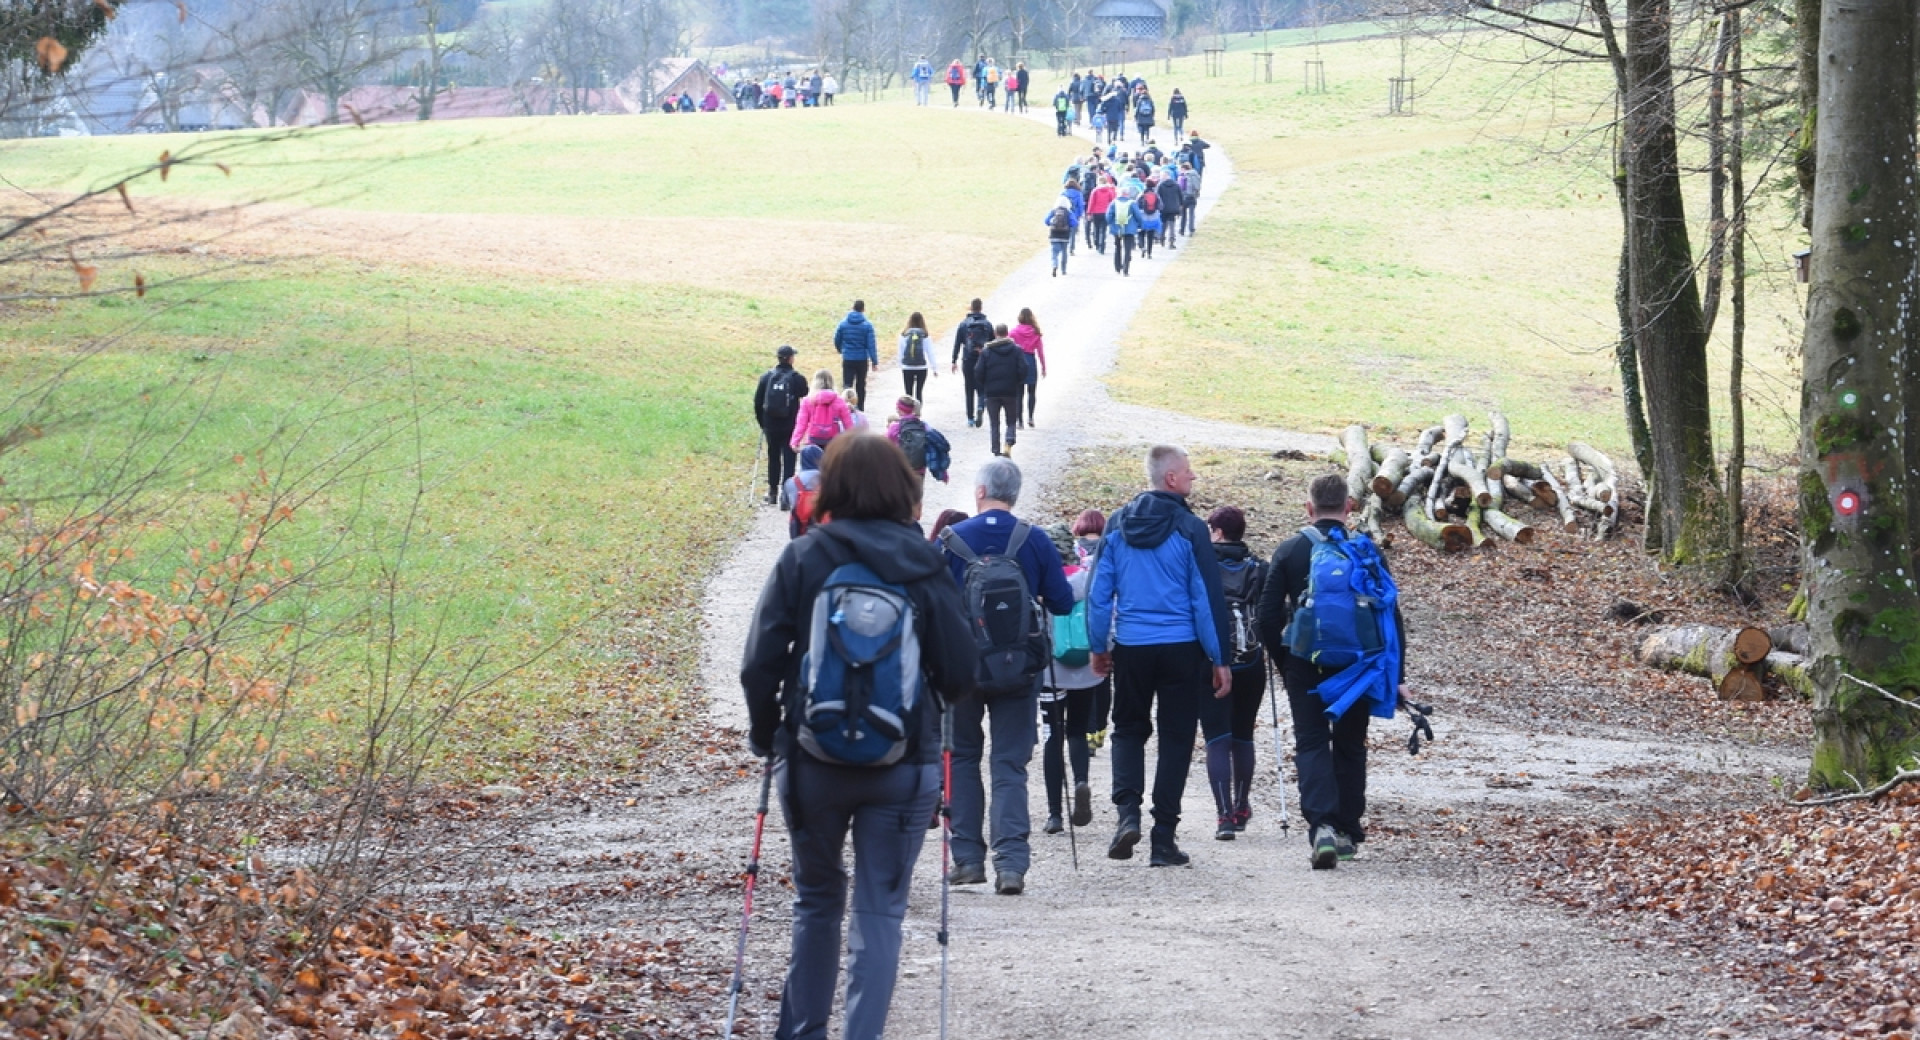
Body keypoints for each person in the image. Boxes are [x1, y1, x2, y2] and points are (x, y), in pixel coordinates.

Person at [741, 432, 977, 1040]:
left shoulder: (805, 557)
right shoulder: (926, 562)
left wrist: (769, 735)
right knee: (880, 914)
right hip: (903, 764)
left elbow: (758, 663)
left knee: (817, 902)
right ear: (904, 487)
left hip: (812, 759)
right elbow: (959, 673)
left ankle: (802, 1034)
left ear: (835, 486)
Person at [1087, 444, 1234, 868]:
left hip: (1132, 647)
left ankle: (1127, 813)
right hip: (1181, 649)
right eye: (1188, 473)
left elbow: (1099, 594)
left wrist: (1100, 646)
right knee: (1176, 738)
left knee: (1128, 730)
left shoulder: (1117, 524)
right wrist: (1219, 658)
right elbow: (1205, 599)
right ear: (1171, 478)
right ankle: (1163, 837)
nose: (1193, 479)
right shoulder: (1190, 528)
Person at [1257, 474, 1409, 870]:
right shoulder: (1365, 550)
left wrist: (1284, 660)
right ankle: (1346, 830)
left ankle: (1322, 825)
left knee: (1311, 742)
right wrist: (1398, 675)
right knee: (1350, 744)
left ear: (1309, 508)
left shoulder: (1291, 550)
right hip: (1357, 666)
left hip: (1305, 663)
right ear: (1349, 507)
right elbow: (1390, 615)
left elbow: (1266, 616)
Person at [937, 458, 1075, 895]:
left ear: (979, 492)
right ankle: (1011, 864)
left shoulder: (951, 540)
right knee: (1009, 764)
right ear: (1013, 494)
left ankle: (967, 859)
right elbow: (1063, 603)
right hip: (1019, 670)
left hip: (961, 669)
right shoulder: (1032, 539)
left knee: (962, 758)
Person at [1200, 506, 1268, 840]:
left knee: (1216, 737)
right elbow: (1271, 613)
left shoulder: (1201, 566)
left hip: (1210, 661)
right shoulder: (1258, 567)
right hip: (1252, 661)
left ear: (1217, 531)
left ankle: (1223, 815)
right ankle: (1242, 805)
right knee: (1242, 735)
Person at [1039, 519, 1106, 836]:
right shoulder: (1088, 576)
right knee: (1077, 731)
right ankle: (1081, 780)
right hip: (1086, 667)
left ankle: (1054, 814)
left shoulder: (1043, 582)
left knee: (1053, 736)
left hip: (1051, 669)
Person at [753, 344, 810, 505]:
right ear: (791, 358)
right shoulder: (797, 378)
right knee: (789, 458)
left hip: (771, 424)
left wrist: (763, 423)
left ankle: (772, 492)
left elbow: (758, 402)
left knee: (773, 457)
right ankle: (786, 495)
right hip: (790, 424)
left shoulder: (766, 377)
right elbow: (804, 393)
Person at [974, 324, 1025, 458]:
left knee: (994, 422)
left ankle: (996, 450)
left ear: (995, 334)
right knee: (1011, 420)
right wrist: (1017, 382)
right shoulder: (1016, 350)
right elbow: (1024, 369)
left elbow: (978, 372)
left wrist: (985, 384)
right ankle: (1009, 441)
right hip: (1010, 391)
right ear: (1007, 333)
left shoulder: (987, 351)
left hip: (992, 392)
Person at [950, 299, 995, 428]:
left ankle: (970, 418)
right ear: (981, 308)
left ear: (971, 308)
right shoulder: (987, 324)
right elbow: (992, 343)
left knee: (969, 389)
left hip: (968, 360)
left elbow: (957, 343)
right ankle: (981, 406)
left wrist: (954, 360)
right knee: (982, 388)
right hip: (983, 360)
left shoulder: (964, 324)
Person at [834, 299, 879, 412]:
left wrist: (841, 350)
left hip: (848, 357)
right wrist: (874, 361)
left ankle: (845, 409)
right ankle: (860, 409)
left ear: (852, 308)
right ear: (863, 310)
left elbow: (837, 339)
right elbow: (871, 345)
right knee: (860, 385)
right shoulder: (867, 326)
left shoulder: (843, 324)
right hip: (862, 359)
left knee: (847, 384)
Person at [791, 369, 853, 451]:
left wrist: (795, 441)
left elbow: (801, 423)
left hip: (813, 440)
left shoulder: (808, 400)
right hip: (833, 441)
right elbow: (848, 423)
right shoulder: (839, 401)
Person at [1008, 307, 1045, 426]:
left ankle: (1019, 421)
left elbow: (1007, 346)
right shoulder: (1036, 333)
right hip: (1031, 361)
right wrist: (1044, 367)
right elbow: (1040, 352)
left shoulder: (1014, 332)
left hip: (1018, 362)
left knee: (1019, 393)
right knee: (1032, 392)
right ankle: (1031, 417)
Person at [782, 443, 826, 539]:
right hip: (825, 527)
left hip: (799, 528)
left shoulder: (791, 482)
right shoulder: (829, 478)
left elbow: (785, 503)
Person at [887, 395, 930, 481]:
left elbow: (886, 445)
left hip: (901, 467)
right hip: (919, 468)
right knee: (917, 492)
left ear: (900, 410)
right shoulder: (924, 426)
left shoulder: (895, 427)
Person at [897, 312, 934, 402]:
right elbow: (930, 352)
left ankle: (908, 413)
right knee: (919, 392)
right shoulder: (925, 335)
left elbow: (900, 352)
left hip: (907, 367)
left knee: (908, 393)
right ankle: (917, 413)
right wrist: (934, 368)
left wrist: (901, 365)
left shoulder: (904, 335)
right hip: (921, 367)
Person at [1107, 189, 1140, 276]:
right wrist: (1139, 225)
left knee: (1117, 247)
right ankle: (1126, 270)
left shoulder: (1113, 203)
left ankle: (1117, 268)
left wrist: (1111, 224)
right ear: (1127, 194)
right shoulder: (1132, 203)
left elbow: (1108, 216)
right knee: (1127, 249)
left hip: (1117, 228)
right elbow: (1138, 216)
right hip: (1129, 228)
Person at [1085, 175, 1115, 254]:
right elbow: (1112, 203)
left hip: (1096, 212)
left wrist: (1089, 213)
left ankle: (1097, 243)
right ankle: (1102, 246)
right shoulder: (1109, 191)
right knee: (1103, 230)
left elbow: (1091, 203)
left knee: (1096, 228)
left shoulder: (1095, 191)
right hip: (1105, 212)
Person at [1156, 168, 1185, 249]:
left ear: (1163, 176)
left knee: (1163, 224)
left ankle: (1162, 237)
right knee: (1172, 224)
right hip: (1173, 208)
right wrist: (1180, 207)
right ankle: (1171, 241)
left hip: (1163, 208)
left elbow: (1157, 197)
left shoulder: (1160, 185)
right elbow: (1181, 197)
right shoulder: (1176, 185)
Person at [1044, 198, 1073, 277]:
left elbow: (1046, 221)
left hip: (1054, 235)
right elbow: (1074, 222)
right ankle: (1063, 270)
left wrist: (1052, 223)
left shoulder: (1053, 211)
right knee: (1064, 253)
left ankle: (1054, 265)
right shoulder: (1068, 212)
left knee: (1054, 253)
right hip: (1065, 236)